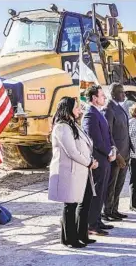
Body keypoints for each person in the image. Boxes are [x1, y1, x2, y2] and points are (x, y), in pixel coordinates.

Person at [48, 97, 98, 248]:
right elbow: (72, 151)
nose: (79, 110)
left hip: (82, 171)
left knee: (84, 202)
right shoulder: (62, 127)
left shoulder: (73, 125)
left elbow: (85, 145)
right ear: (68, 108)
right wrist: (89, 162)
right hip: (69, 172)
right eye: (76, 107)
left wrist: (90, 160)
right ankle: (70, 239)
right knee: (70, 206)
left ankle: (82, 234)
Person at [82, 85, 116, 236]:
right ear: (94, 98)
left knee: (102, 191)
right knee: (96, 191)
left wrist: (113, 148)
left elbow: (108, 135)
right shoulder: (90, 115)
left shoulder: (99, 113)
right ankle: (91, 224)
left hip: (106, 158)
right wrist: (108, 151)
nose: (104, 98)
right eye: (102, 96)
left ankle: (97, 220)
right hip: (98, 158)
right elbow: (94, 139)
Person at [102, 83, 129, 222]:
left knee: (119, 184)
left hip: (125, 153)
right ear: (112, 94)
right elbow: (109, 134)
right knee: (111, 185)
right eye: (121, 92)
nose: (124, 95)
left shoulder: (120, 107)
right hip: (116, 155)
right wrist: (117, 154)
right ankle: (107, 211)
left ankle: (114, 209)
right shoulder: (108, 109)